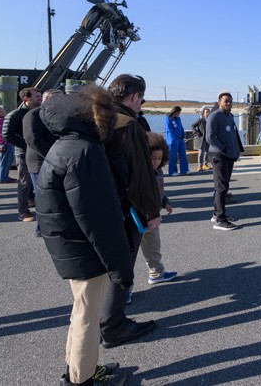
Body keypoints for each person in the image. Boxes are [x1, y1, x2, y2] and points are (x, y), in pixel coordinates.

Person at [36, 85, 131, 386]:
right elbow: (99, 218)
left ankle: (78, 370)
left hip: (71, 245)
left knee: (81, 313)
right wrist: (121, 265)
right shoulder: (86, 152)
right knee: (87, 319)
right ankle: (81, 380)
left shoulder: (65, 145)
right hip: (85, 249)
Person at [101, 74, 161, 348]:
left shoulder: (98, 117)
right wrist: (152, 211)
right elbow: (141, 174)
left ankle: (102, 319)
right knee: (122, 267)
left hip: (100, 204)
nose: (141, 105)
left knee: (104, 268)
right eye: (141, 100)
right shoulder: (128, 125)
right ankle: (114, 326)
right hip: (126, 208)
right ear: (135, 96)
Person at [139, 132, 178, 287]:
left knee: (153, 246)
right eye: (152, 158)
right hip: (139, 217)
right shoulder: (139, 173)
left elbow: (159, 192)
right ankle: (124, 288)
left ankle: (157, 273)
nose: (156, 162)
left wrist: (165, 202)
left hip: (154, 216)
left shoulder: (158, 172)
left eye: (160, 158)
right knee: (130, 253)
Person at [23, 89, 63, 238]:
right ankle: (41, 228)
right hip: (40, 162)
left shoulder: (60, 114)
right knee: (43, 197)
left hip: (57, 161)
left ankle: (55, 226)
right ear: (46, 99)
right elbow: (33, 139)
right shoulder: (33, 115)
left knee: (55, 196)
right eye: (57, 99)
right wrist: (52, 156)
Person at [2, 87, 42, 221]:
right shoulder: (15, 114)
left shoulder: (40, 112)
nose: (40, 98)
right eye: (37, 96)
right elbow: (7, 134)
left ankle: (32, 201)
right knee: (25, 183)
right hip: (24, 153)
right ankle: (24, 212)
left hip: (39, 152)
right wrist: (28, 145)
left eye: (40, 95)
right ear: (26, 98)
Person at [207, 92, 244, 231]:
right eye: (226, 101)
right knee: (221, 187)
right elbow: (210, 137)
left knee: (224, 186)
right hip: (219, 155)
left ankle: (216, 214)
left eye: (230, 101)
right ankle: (220, 220)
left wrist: (236, 150)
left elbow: (233, 135)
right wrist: (224, 148)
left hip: (229, 155)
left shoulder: (229, 116)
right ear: (219, 102)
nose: (229, 103)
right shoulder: (214, 116)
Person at [165, 106, 189, 176]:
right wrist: (178, 135)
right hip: (173, 139)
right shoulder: (168, 118)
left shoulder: (178, 118)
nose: (179, 114)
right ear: (175, 112)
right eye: (178, 113)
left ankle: (184, 170)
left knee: (183, 154)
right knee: (173, 156)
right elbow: (169, 129)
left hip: (180, 139)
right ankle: (172, 171)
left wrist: (183, 134)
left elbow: (181, 127)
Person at [191, 106, 211, 171]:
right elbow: (193, 125)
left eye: (208, 112)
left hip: (208, 139)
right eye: (206, 112)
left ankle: (205, 165)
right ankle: (200, 166)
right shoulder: (200, 120)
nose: (208, 113)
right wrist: (196, 132)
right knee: (201, 153)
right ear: (203, 113)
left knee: (207, 152)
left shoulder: (210, 120)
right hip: (201, 139)